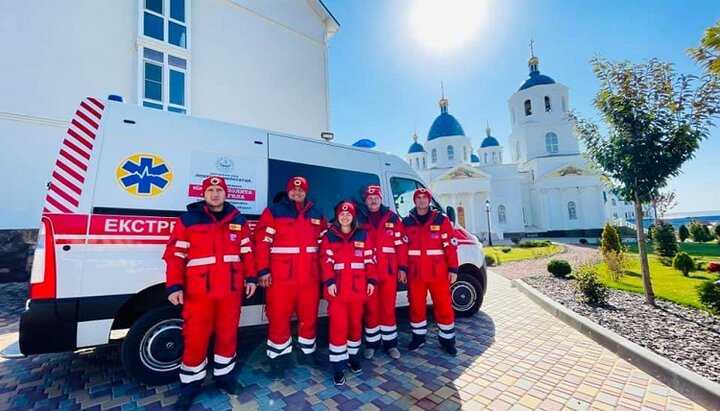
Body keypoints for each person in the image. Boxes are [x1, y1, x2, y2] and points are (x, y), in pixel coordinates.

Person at [163, 176, 257, 410]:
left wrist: (252, 277)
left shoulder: (238, 220)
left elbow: (248, 252)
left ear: (226, 194)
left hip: (231, 291)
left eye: (219, 190)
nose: (215, 194)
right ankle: (190, 387)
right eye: (211, 190)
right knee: (195, 338)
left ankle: (224, 378)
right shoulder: (188, 220)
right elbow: (175, 256)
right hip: (198, 293)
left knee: (227, 336)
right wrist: (174, 286)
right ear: (203, 194)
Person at [254, 176, 327, 379]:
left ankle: (306, 353)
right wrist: (263, 270)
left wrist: (326, 274)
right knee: (278, 318)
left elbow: (325, 247)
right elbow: (262, 242)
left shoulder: (317, 214)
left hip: (309, 278)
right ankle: (279, 360)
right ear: (288, 191)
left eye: (301, 190)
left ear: (306, 192)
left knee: (309, 318)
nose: (297, 193)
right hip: (280, 279)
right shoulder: (274, 212)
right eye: (293, 190)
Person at [320, 201, 377, 385]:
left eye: (349, 214)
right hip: (337, 292)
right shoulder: (330, 236)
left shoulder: (362, 235)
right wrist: (329, 281)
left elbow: (370, 260)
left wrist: (372, 280)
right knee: (338, 328)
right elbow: (325, 261)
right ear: (337, 217)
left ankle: (353, 358)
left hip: (358, 290)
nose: (345, 217)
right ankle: (338, 367)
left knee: (354, 326)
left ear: (353, 217)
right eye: (342, 214)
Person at [401, 188, 459, 356]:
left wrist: (453, 269)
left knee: (443, 306)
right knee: (416, 306)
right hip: (415, 273)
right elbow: (403, 249)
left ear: (429, 200)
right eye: (418, 198)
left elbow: (450, 245)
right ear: (414, 201)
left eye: (424, 198)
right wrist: (403, 269)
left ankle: (447, 340)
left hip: (438, 273)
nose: (421, 201)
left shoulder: (441, 220)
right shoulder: (407, 222)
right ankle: (418, 338)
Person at [358, 185, 407, 360]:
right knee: (371, 309)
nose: (373, 200)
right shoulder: (360, 219)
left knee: (388, 308)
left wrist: (402, 268)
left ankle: (390, 344)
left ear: (380, 199)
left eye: (376, 197)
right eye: (370, 198)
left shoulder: (392, 219)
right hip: (368, 273)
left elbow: (401, 245)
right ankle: (372, 344)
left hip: (388, 272)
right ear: (366, 200)